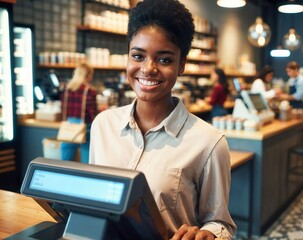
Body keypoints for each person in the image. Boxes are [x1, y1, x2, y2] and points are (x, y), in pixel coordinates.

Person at [89, 0, 236, 239]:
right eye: (138, 56)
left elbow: (220, 223)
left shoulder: (209, 142)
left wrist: (209, 234)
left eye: (164, 59)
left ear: (181, 66)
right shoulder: (103, 125)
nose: (148, 69)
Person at [60, 63, 97, 163]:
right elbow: (92, 112)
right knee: (87, 161)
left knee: (65, 161)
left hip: (69, 125)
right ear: (88, 75)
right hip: (85, 126)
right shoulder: (89, 91)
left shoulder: (67, 90)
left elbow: (63, 109)